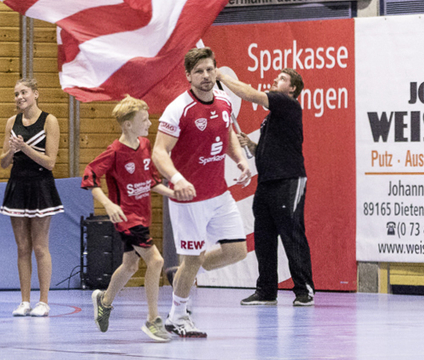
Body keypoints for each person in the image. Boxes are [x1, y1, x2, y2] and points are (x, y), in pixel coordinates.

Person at [151, 47, 252, 339]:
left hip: (219, 194)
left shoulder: (223, 101)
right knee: (193, 258)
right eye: (199, 72)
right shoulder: (178, 109)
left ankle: (182, 273)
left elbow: (227, 133)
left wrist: (240, 159)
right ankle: (177, 316)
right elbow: (159, 152)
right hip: (188, 198)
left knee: (237, 250)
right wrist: (176, 178)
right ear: (188, 76)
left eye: (210, 70)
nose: (206, 76)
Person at [217, 68, 315, 307]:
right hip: (267, 181)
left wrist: (223, 78)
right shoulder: (272, 118)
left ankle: (304, 290)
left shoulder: (287, 103)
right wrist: (250, 145)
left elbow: (251, 94)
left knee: (292, 235)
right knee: (264, 237)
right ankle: (266, 291)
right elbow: (266, 150)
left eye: (282, 79)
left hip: (288, 180)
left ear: (292, 88)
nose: (275, 80)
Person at [82, 96, 173, 341]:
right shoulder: (114, 152)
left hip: (142, 216)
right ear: (127, 125)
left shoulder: (144, 145)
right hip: (126, 218)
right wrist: (108, 203)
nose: (149, 124)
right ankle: (153, 319)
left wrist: (175, 193)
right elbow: (90, 176)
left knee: (131, 265)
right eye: (144, 120)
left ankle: (105, 300)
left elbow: (151, 182)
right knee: (155, 261)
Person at [0, 78, 62, 317]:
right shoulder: (11, 123)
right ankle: (25, 301)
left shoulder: (49, 120)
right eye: (16, 94)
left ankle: (43, 301)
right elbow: (3, 163)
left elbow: (50, 162)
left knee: (39, 246)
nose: (19, 97)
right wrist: (12, 151)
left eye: (23, 92)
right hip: (17, 186)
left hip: (40, 186)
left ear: (36, 93)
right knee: (22, 247)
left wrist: (24, 148)